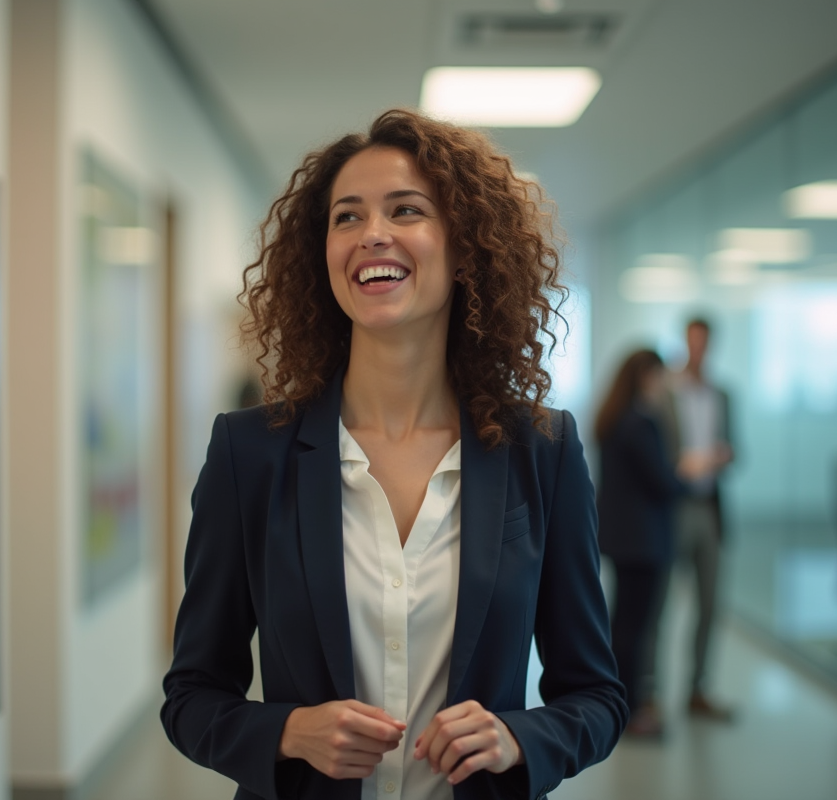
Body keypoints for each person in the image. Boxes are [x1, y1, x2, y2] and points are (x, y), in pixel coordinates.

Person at [161, 109, 627, 800]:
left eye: (405, 210)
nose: (372, 233)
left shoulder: (542, 452)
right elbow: (193, 696)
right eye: (346, 217)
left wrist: (519, 738)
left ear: (464, 246)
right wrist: (290, 733)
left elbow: (595, 696)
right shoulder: (249, 453)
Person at [594, 349, 714, 738]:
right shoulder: (640, 423)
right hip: (643, 542)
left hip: (624, 540)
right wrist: (691, 471)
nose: (664, 386)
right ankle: (628, 712)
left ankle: (619, 706)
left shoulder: (614, 419)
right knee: (634, 630)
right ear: (647, 376)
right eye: (660, 376)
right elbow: (662, 482)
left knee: (624, 626)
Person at [667, 317, 736, 720]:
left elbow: (735, 447)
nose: (698, 350)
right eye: (693, 342)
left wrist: (722, 456)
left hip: (709, 508)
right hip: (673, 507)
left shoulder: (722, 395)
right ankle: (647, 692)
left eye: (705, 344)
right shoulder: (667, 394)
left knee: (709, 603)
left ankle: (697, 688)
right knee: (660, 604)